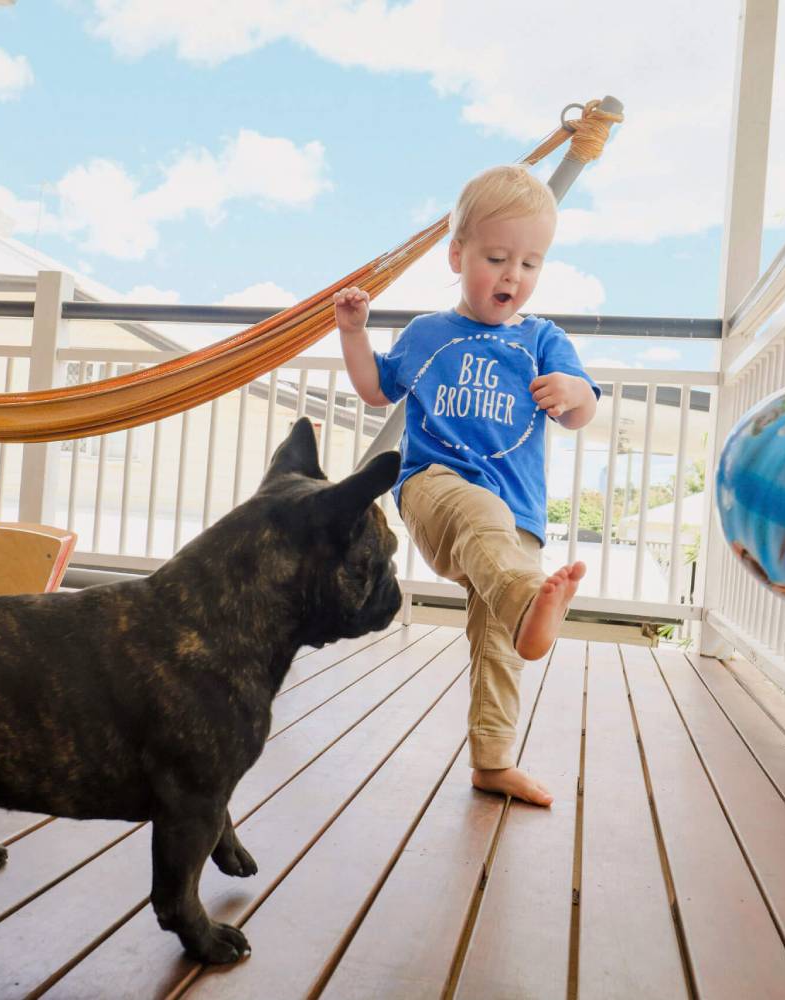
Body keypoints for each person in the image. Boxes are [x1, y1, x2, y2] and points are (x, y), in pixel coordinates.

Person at [334, 164, 599, 807]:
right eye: (498, 257)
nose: (514, 275)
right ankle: (529, 608)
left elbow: (581, 408)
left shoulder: (543, 340)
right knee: (483, 522)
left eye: (531, 263)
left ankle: (493, 761)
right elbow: (375, 390)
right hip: (435, 486)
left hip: (520, 516)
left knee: (500, 645)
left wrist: (575, 393)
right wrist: (352, 332)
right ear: (457, 255)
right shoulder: (429, 333)